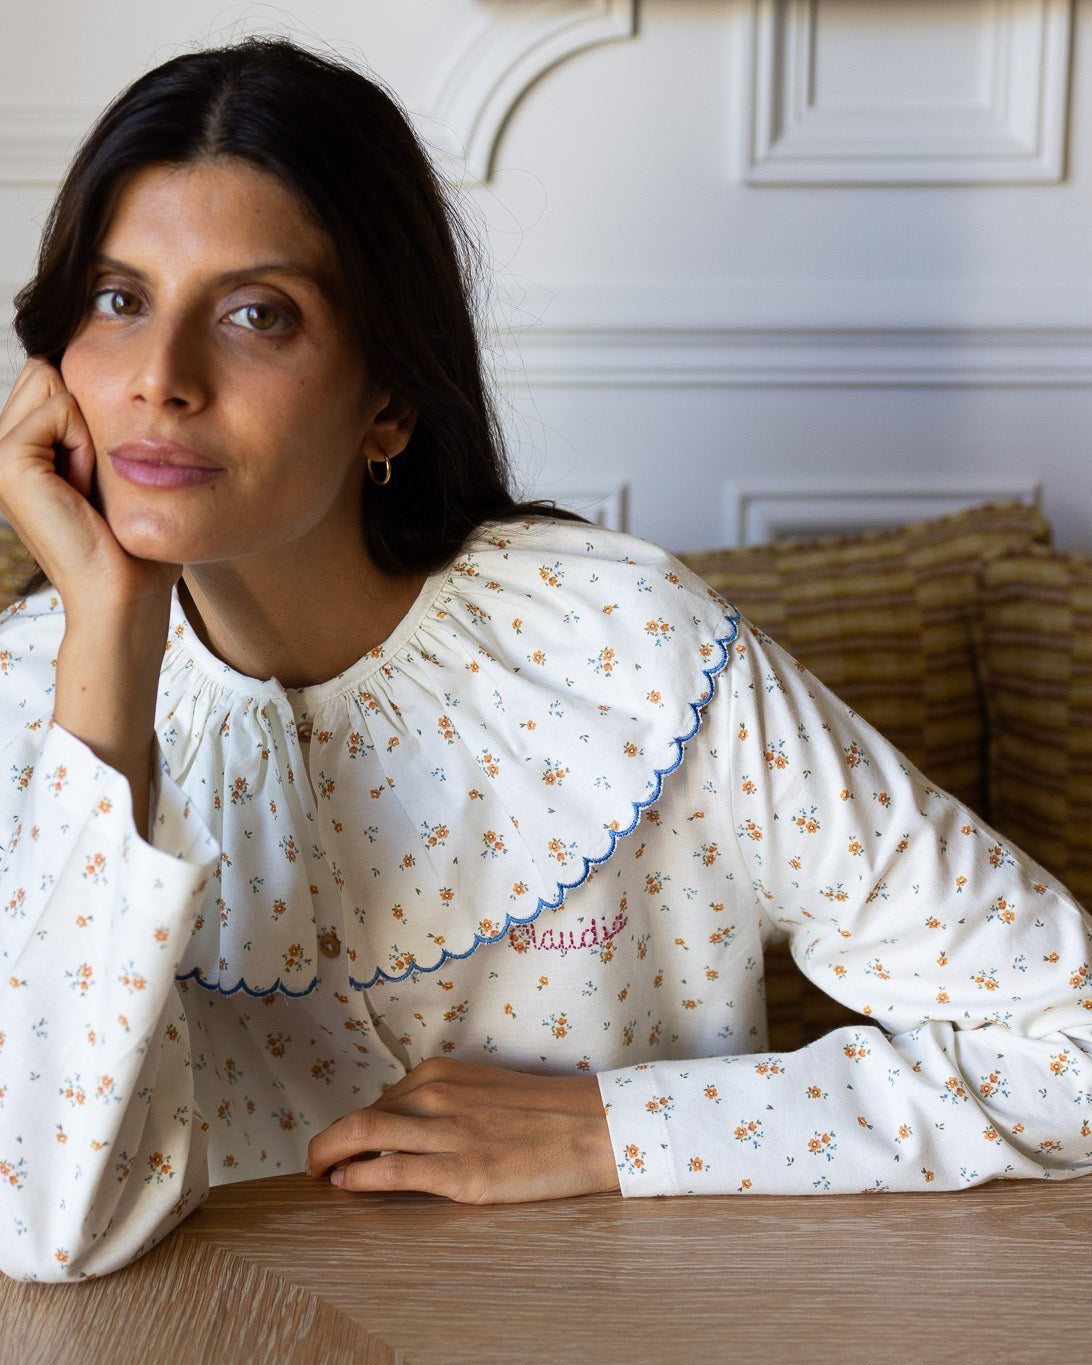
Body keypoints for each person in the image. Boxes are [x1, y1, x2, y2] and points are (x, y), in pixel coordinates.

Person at [0, 38, 1089, 1285]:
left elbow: (1071, 1038)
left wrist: (617, 1130)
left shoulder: (631, 648)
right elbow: (42, 1223)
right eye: (117, 299)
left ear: (387, 403)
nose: (160, 380)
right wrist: (108, 647)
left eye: (258, 314)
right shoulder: (31, 695)